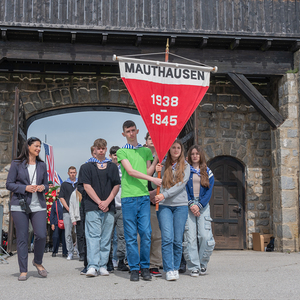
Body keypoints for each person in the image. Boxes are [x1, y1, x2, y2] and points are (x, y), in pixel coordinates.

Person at [116, 120, 161, 281]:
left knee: (146, 233)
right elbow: (131, 171)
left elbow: (148, 169)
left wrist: (156, 159)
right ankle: (134, 269)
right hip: (128, 197)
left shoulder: (145, 151)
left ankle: (145, 267)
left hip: (142, 196)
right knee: (130, 235)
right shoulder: (122, 152)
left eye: (133, 130)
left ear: (137, 131)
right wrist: (152, 179)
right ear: (124, 134)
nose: (131, 133)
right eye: (128, 131)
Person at [6, 137, 49, 281]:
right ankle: (23, 270)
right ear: (28, 146)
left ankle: (37, 261)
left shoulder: (42, 165)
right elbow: (9, 184)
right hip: (20, 204)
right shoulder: (16, 164)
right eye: (36, 146)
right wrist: (25, 188)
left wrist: (43, 187)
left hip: (39, 205)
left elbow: (47, 185)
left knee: (42, 235)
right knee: (22, 238)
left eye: (39, 147)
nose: (38, 149)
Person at [78, 138, 120, 277]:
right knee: (93, 236)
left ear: (106, 149)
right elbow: (86, 186)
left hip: (109, 206)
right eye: (98, 148)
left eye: (103, 148)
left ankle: (102, 265)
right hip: (92, 206)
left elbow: (116, 185)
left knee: (106, 237)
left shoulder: (113, 166)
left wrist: (107, 202)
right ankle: (92, 265)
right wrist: (99, 202)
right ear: (94, 149)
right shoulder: (86, 167)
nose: (101, 150)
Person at [153, 139, 190, 281]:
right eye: (173, 147)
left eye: (178, 148)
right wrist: (156, 173)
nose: (175, 150)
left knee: (176, 239)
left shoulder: (185, 166)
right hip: (164, 206)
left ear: (181, 150)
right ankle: (168, 269)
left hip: (180, 206)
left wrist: (164, 194)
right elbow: (155, 184)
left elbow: (181, 185)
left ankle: (175, 267)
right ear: (169, 150)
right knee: (167, 238)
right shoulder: (162, 165)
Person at [183, 145, 215, 276]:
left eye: (197, 153)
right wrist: (191, 204)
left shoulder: (208, 171)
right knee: (190, 237)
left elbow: (209, 191)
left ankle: (202, 263)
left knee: (204, 235)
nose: (195, 156)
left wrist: (199, 205)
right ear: (189, 156)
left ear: (201, 155)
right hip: (189, 204)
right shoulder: (185, 171)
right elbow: (183, 188)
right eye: (192, 154)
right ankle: (193, 266)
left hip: (203, 205)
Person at [107, 146, 129, 272]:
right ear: (110, 156)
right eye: (113, 154)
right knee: (108, 236)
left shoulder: (125, 168)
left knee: (122, 236)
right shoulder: (108, 168)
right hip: (110, 206)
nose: (116, 156)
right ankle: (108, 260)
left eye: (117, 154)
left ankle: (121, 260)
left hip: (122, 206)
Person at [145, 132, 162, 277]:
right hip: (144, 200)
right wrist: (149, 194)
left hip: (159, 201)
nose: (152, 141)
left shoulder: (164, 159)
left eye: (154, 138)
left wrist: (157, 195)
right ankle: (141, 262)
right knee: (143, 235)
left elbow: (168, 178)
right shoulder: (141, 157)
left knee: (157, 235)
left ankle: (154, 264)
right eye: (149, 138)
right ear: (145, 141)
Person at [59, 166, 78, 260]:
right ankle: (70, 252)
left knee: (79, 232)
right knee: (68, 233)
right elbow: (61, 197)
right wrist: (68, 208)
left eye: (74, 172)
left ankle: (78, 250)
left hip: (78, 212)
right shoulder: (64, 184)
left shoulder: (79, 183)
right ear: (68, 173)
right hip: (67, 211)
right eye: (71, 172)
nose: (72, 174)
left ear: (76, 173)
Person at [69, 189, 84, 261]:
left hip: (87, 215)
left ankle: (88, 253)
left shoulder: (87, 191)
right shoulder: (74, 193)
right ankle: (81, 253)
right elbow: (71, 207)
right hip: (78, 217)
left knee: (87, 236)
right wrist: (73, 219)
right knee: (80, 236)